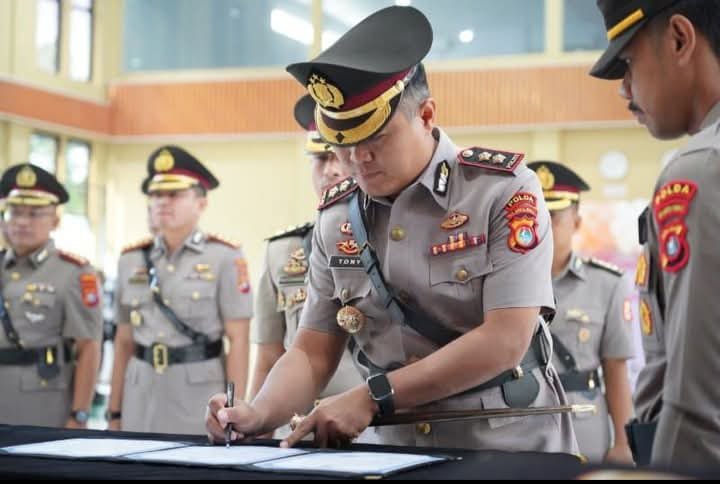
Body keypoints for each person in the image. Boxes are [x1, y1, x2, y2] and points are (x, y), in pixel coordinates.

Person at [207, 6, 577, 454]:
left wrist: (372, 396)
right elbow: (312, 351)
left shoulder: (501, 192)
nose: (356, 159)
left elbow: (505, 339)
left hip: (505, 441)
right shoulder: (338, 217)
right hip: (396, 447)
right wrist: (258, 412)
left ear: (426, 115)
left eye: (375, 138)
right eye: (342, 144)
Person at [591, 0, 720, 467]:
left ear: (680, 39)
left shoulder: (700, 169)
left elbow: (699, 406)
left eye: (629, 63)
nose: (626, 91)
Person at [108, 145, 253, 434]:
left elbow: (238, 340)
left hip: (198, 397)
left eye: (174, 194)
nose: (162, 201)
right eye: (156, 194)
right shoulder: (130, 260)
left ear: (201, 203)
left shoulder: (225, 257)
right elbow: (123, 341)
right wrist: (114, 412)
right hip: (139, 394)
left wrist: (234, 411)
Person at [248, 95, 367, 439]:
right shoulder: (282, 251)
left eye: (338, 156)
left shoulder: (398, 241)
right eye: (319, 158)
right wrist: (255, 432)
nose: (330, 170)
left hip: (375, 425)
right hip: (298, 428)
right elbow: (269, 355)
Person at [528, 161, 635, 463]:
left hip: (582, 424)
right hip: (519, 423)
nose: (541, 226)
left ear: (576, 222)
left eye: (552, 217)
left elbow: (615, 370)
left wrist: (623, 442)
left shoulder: (606, 283)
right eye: (533, 217)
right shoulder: (497, 282)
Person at [0, 163, 103, 428]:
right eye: (14, 212)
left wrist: (79, 415)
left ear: (55, 221)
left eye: (34, 214)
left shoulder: (74, 272)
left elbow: (88, 347)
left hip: (41, 403)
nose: (22, 221)